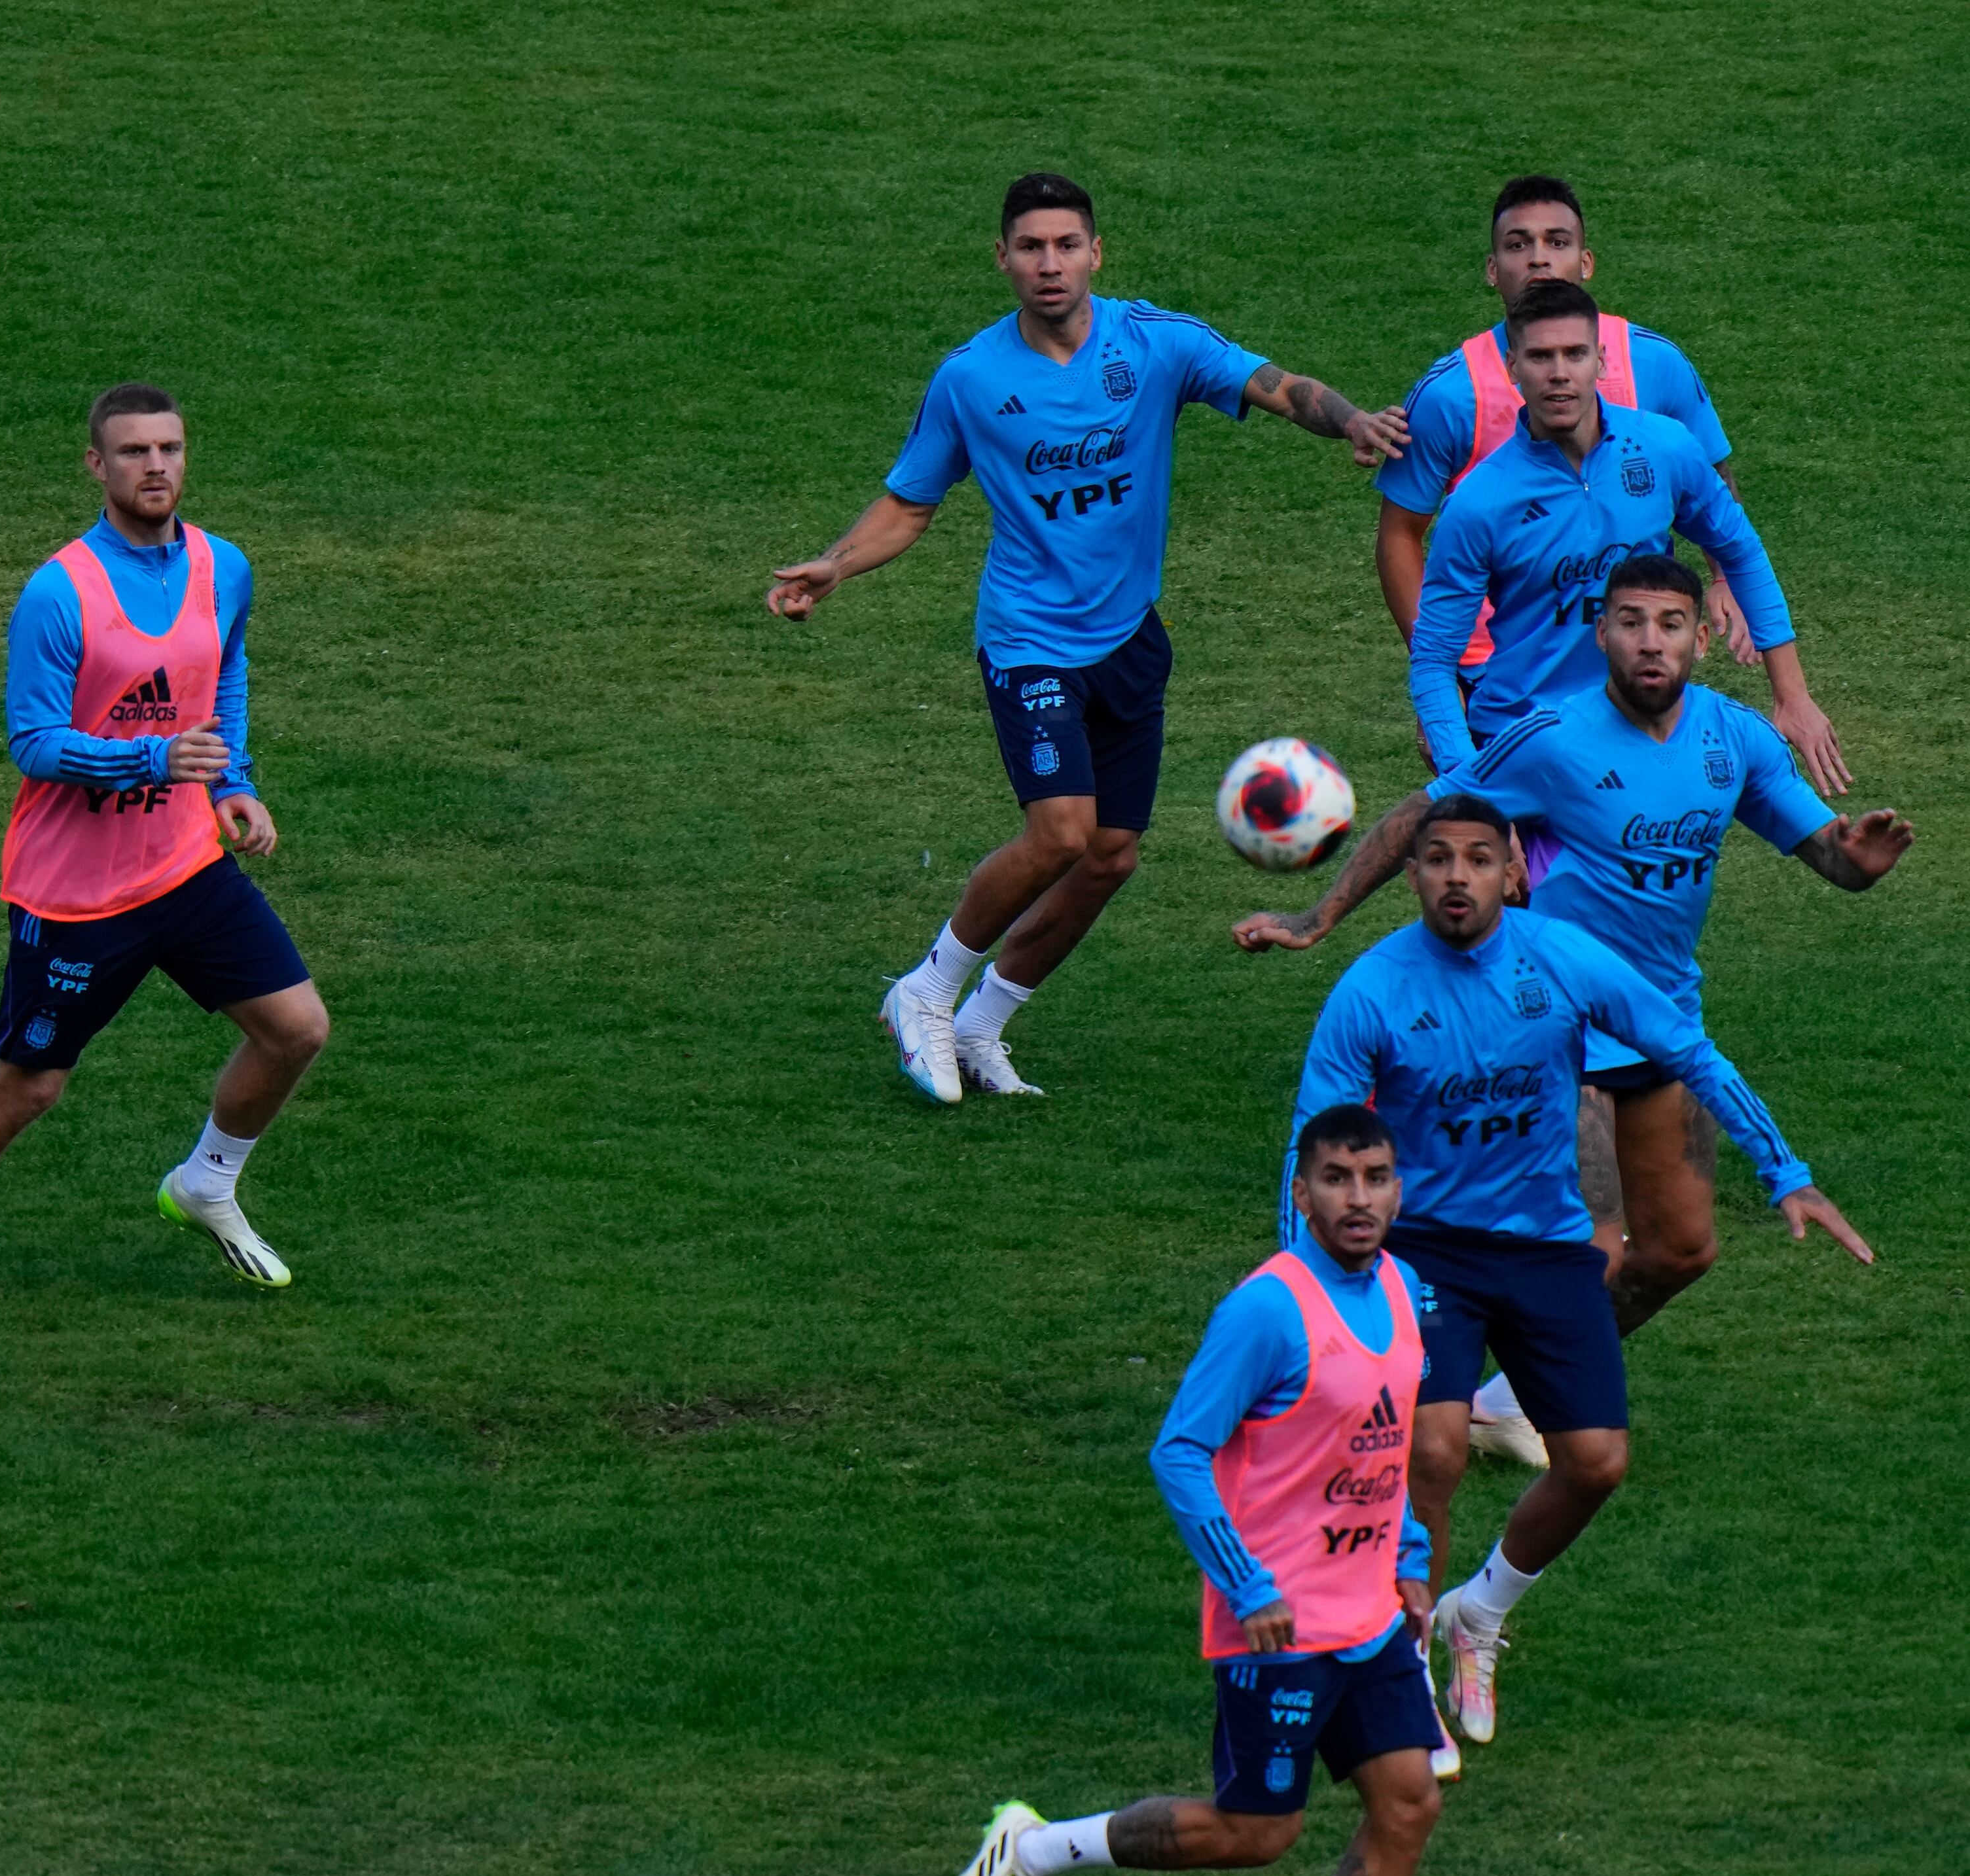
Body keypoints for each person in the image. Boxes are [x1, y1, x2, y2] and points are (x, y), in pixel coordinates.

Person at [1238, 559, 1910, 1454]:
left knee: (1680, 1251)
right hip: (1557, 1026)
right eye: (1629, 622)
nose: (1649, 642)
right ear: (1600, 633)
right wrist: (1319, 916)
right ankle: (1406, 1396)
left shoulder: (1737, 740)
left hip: (1657, 1022)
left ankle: (1505, 1395)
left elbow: (1821, 846)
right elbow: (1428, 812)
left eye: (1670, 623)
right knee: (1580, 1249)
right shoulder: (1553, 739)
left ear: (1702, 637)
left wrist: (1854, 863)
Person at [767, 171, 1408, 1104]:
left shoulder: (1154, 345)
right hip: (1030, 642)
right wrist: (835, 562)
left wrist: (1352, 420)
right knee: (1061, 832)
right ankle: (928, 988)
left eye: (1067, 245)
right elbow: (911, 502)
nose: (1050, 263)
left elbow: (1275, 385)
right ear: (1002, 259)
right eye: (1031, 247)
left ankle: (983, 1024)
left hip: (1129, 641)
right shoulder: (973, 379)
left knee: (1110, 856)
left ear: (1097, 253)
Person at [1280, 796, 1868, 1769]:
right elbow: (1319, 1146)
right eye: (1436, 860)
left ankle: (1478, 1613)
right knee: (1432, 1451)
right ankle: (1400, 1677)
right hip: (1425, 1249)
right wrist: (1311, 1294)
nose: (1457, 876)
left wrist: (1787, 1170)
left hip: (1545, 1249)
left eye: (1479, 858)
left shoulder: (1559, 957)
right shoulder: (1371, 990)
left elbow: (1687, 1049)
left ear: (1515, 872)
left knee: (1594, 1462)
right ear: (1415, 876)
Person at [948, 1105, 1443, 1876]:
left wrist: (1414, 1553)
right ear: (1300, 1192)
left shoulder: (1401, 1285)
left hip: (1367, 1614)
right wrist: (1247, 1582)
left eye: (1376, 1176)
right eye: (1338, 1178)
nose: (1359, 1197)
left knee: (1409, 1799)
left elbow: (1385, 1445)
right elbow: (1179, 1449)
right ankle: (1037, 1848)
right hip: (1279, 1622)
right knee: (1258, 1832)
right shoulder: (1267, 1309)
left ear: (1398, 1186)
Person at [0, 383, 328, 1309]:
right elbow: (33, 742)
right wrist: (160, 755)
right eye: (132, 451)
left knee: (296, 1029)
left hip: (187, 863)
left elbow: (222, 667)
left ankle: (206, 1182)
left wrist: (231, 779)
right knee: (31, 1084)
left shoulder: (222, 567)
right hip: (75, 891)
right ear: (96, 465)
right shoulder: (60, 590)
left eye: (168, 448)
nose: (154, 465)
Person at [1376, 174, 1844, 792]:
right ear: (1492, 270)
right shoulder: (1450, 395)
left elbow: (1716, 499)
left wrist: (1727, 583)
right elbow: (1401, 537)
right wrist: (1450, 686)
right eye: (1519, 245)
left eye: (1556, 241)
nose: (1540, 258)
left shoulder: (1656, 371)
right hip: (1509, 691)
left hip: (1630, 689)